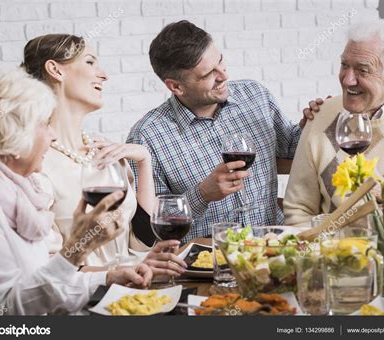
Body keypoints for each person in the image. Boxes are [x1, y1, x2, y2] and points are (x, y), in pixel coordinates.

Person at [0, 68, 152, 315]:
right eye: (45, 124)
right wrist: (77, 249)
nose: (53, 136)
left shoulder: (17, 190)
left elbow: (40, 284)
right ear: (11, 137)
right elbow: (5, 308)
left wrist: (108, 279)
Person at [126, 20, 315, 242]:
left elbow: (292, 149)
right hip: (207, 262)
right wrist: (202, 194)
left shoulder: (254, 96)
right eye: (208, 74)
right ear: (176, 86)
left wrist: (313, 124)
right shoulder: (147, 137)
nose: (223, 76)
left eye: (221, 61)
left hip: (276, 247)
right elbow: (150, 230)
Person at [21, 34, 186, 276]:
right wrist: (112, 275)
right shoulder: (35, 165)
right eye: (90, 62)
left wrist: (144, 161)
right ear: (55, 70)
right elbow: (44, 270)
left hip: (131, 294)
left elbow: (142, 240)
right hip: (80, 304)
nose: (104, 75)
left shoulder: (106, 152)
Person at [284, 18, 384, 226]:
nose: (347, 79)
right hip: (329, 254)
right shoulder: (321, 115)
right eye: (344, 65)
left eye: (362, 70)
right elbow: (298, 209)